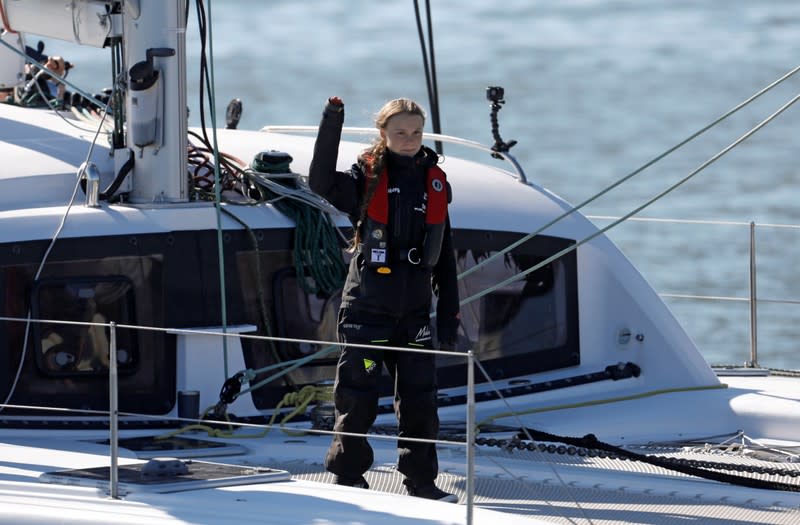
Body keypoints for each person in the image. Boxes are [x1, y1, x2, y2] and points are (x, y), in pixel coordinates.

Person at [308, 96, 461, 502]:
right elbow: (320, 184)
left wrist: (448, 315)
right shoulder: (366, 179)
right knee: (357, 397)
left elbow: (444, 255)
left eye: (415, 132)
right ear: (383, 135)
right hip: (367, 312)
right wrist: (331, 121)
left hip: (414, 316)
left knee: (420, 401)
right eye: (400, 133)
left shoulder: (435, 182)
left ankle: (422, 482)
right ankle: (348, 477)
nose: (409, 140)